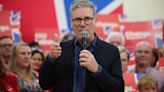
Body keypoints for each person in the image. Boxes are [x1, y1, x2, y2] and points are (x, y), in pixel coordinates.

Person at [39, 0, 124, 92]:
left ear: (95, 20)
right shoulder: (61, 49)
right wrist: (51, 59)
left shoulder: (111, 51)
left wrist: (97, 70)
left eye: (87, 19)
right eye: (78, 20)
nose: (82, 24)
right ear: (71, 23)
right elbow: (44, 84)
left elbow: (118, 89)